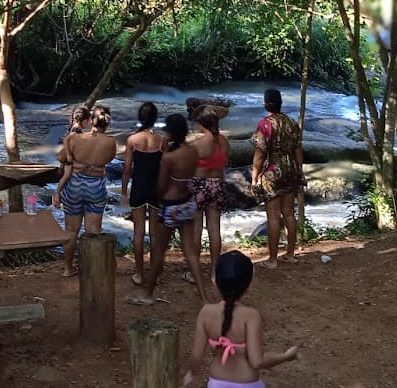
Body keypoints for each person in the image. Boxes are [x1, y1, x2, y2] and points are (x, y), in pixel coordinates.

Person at [126, 113, 209, 305]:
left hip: (171, 205)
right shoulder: (192, 151)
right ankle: (204, 297)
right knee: (190, 253)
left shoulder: (170, 157)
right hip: (188, 203)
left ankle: (147, 293)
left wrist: (156, 200)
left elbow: (161, 186)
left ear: (171, 133)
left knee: (159, 250)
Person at [183, 251, 299, 387]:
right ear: (249, 284)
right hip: (247, 383)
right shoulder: (251, 316)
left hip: (216, 382)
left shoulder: (206, 312)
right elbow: (257, 361)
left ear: (215, 281)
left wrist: (191, 373)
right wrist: (285, 356)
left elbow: (196, 357)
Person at [53, 104, 115, 277]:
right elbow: (107, 160)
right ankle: (90, 269)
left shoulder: (75, 139)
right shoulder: (110, 143)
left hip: (74, 184)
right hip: (95, 185)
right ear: (107, 124)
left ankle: (68, 268)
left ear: (91, 121)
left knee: (71, 230)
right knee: (93, 230)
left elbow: (60, 157)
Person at [250, 88, 305, 268]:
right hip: (290, 170)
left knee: (273, 217)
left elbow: (260, 154)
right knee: (289, 213)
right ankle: (290, 254)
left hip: (272, 171)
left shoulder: (265, 125)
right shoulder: (291, 122)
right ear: (280, 102)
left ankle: (273, 259)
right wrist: (299, 170)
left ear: (266, 103)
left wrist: (254, 177)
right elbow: (298, 149)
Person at [120, 101, 167, 286]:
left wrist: (124, 193)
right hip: (156, 189)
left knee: (138, 233)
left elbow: (126, 169)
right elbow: (165, 167)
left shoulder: (132, 140)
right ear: (155, 119)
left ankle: (139, 274)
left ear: (140, 117)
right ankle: (155, 273)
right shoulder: (162, 140)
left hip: (138, 188)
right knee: (155, 234)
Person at [187, 106, 230, 284]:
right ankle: (214, 272)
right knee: (214, 229)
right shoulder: (224, 142)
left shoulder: (197, 144)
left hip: (198, 185)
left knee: (196, 229)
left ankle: (194, 272)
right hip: (217, 184)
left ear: (200, 123)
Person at [56, 105, 91, 170]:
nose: (89, 123)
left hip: (65, 163)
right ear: (85, 121)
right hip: (69, 165)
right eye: (89, 121)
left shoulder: (71, 129)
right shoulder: (77, 133)